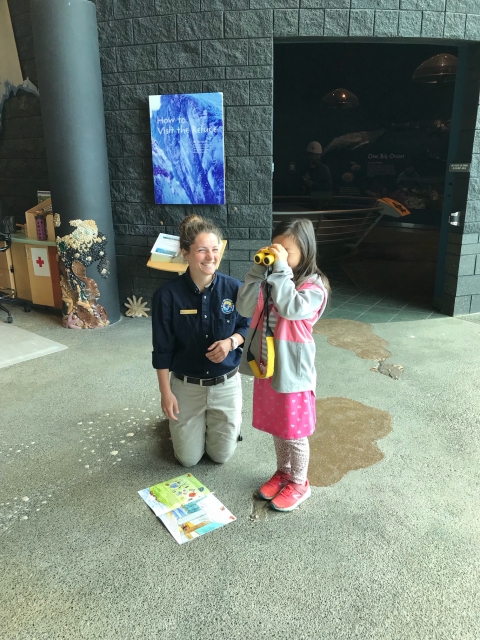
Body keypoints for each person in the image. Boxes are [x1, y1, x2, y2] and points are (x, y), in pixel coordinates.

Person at [236, 219, 329, 512]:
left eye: (288, 252)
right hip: (269, 364)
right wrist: (257, 271)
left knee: (295, 431)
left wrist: (280, 270)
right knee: (279, 426)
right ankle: (284, 472)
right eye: (278, 250)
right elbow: (245, 307)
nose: (281, 257)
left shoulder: (314, 286)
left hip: (294, 371)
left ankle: (300, 482)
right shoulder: (273, 277)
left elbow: (291, 308)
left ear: (306, 250)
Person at [151, 214, 250, 467]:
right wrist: (165, 392)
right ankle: (185, 425)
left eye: (215, 250)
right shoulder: (167, 295)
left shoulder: (234, 288)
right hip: (186, 386)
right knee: (188, 459)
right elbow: (162, 348)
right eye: (202, 250)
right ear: (186, 252)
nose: (210, 257)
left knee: (221, 457)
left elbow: (247, 325)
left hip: (226, 384)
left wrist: (232, 342)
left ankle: (217, 423)